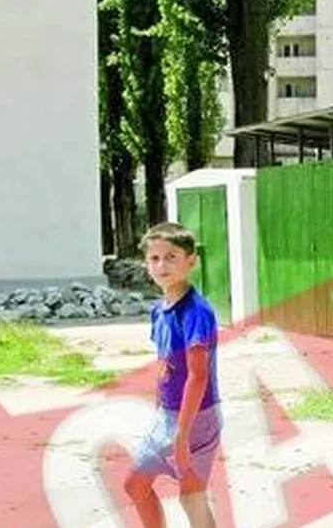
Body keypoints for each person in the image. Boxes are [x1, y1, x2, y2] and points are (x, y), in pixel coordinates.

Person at [123, 222, 223, 528]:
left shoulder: (196, 312)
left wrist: (181, 435)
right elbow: (166, 363)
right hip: (167, 415)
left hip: (195, 418)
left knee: (191, 497)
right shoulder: (160, 309)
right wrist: (159, 405)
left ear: (191, 261)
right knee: (135, 484)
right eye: (154, 258)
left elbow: (198, 377)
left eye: (171, 257)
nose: (162, 265)